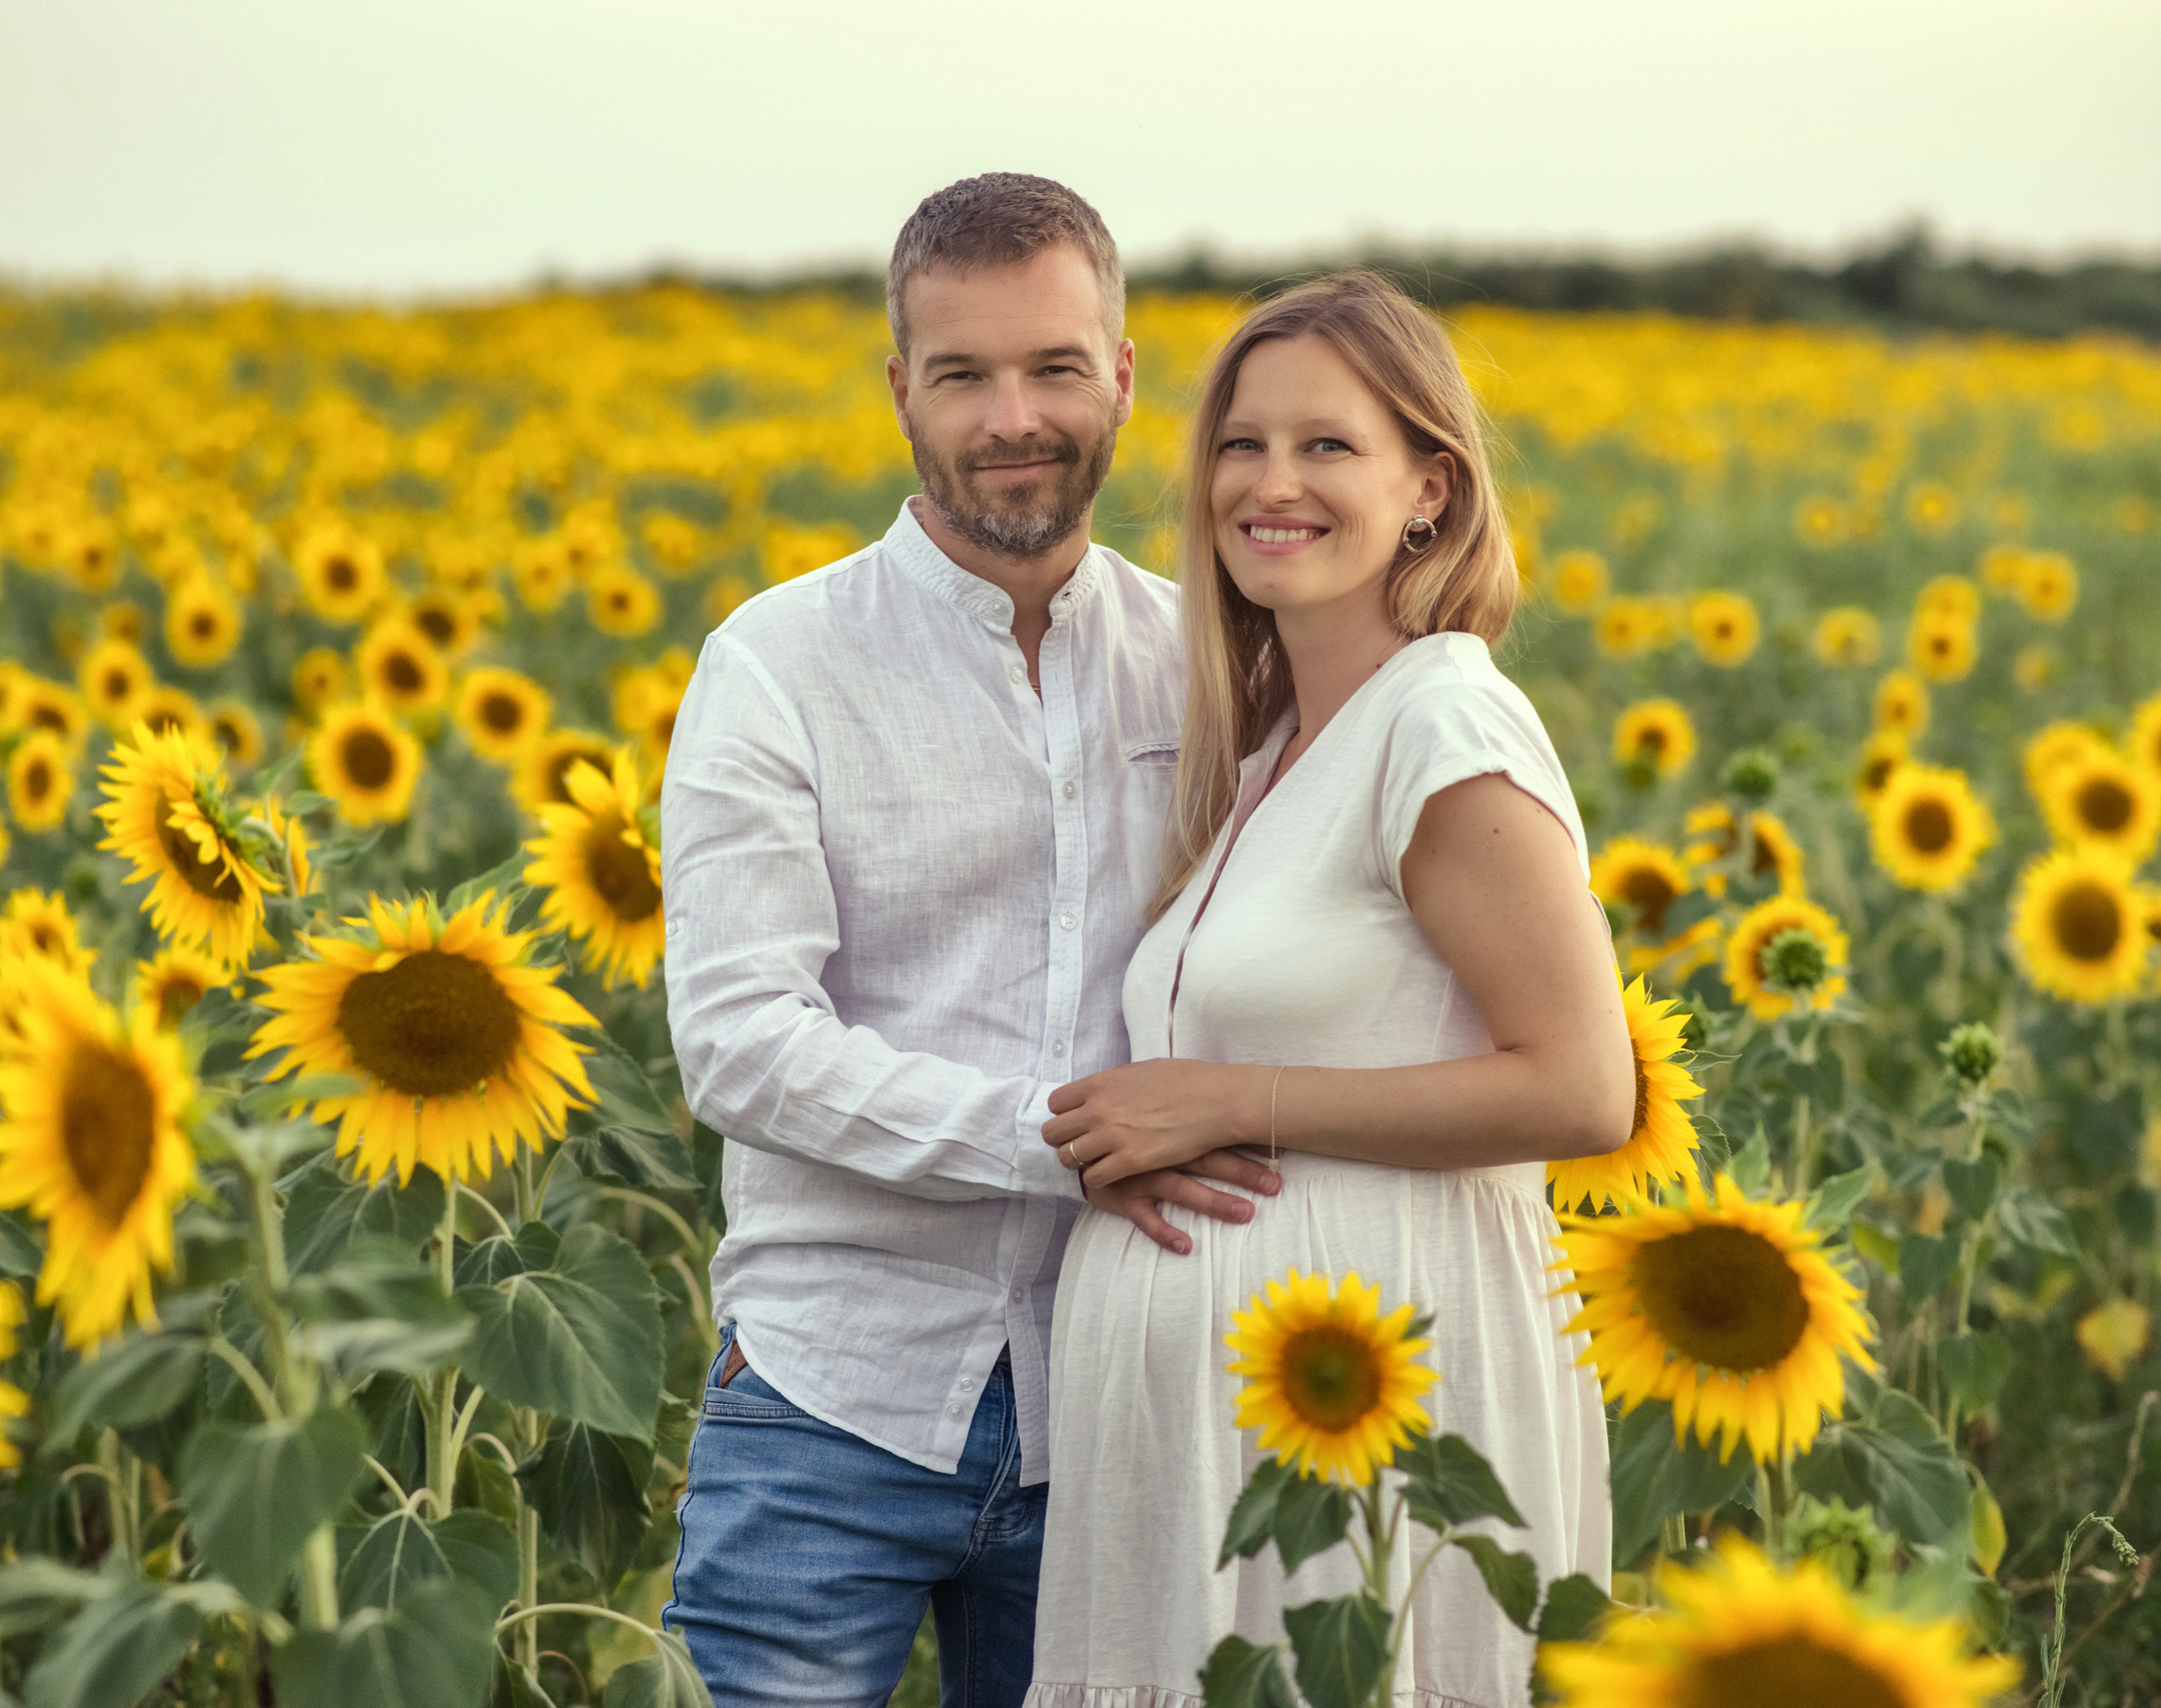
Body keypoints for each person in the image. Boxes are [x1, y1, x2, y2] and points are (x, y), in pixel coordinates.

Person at [659, 173, 1281, 1708]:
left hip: (1123, 1400)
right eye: (965, 374)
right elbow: (742, 1039)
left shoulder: (1205, 665)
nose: (1015, 415)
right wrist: (1062, 1139)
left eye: (1055, 367)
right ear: (900, 392)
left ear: (1123, 375)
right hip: (836, 1393)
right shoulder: (777, 665)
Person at [1026, 271, 1631, 1708]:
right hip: (1225, 1467)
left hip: (1376, 1438)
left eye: (1327, 446)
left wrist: (1233, 1099)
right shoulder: (1269, 747)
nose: (1270, 483)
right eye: (1242, 444)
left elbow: (1584, 1085)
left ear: (1431, 488)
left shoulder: (1444, 713)